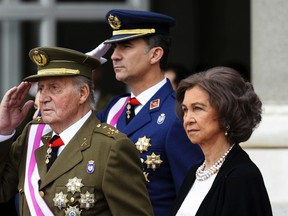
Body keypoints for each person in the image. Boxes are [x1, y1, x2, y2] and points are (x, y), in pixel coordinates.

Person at [0, 46, 153, 215]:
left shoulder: (112, 148)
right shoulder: (32, 137)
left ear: (82, 93)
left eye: (54, 88)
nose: (43, 98)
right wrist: (4, 131)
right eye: (41, 88)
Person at [96, 9, 204, 215]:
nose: (114, 56)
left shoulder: (177, 115)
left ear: (155, 54)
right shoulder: (114, 108)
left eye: (125, 47)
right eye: (115, 47)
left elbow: (190, 197)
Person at [169, 66, 273, 216]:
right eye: (185, 110)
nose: (187, 119)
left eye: (197, 108)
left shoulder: (242, 177)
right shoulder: (194, 173)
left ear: (227, 115)